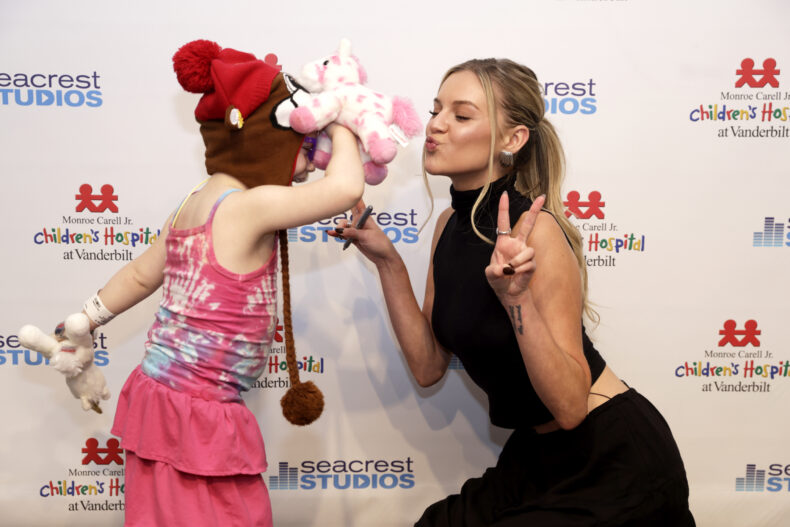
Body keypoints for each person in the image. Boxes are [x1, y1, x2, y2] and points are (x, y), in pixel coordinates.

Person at [334, 58, 695, 526]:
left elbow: (568, 409)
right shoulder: (447, 226)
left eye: (461, 116)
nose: (436, 125)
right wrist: (387, 260)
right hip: (535, 455)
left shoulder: (537, 232)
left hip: (612, 459)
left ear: (513, 139)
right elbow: (427, 367)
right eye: (436, 109)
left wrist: (516, 298)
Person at [74, 41, 364, 526]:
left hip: (159, 395)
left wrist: (87, 317)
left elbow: (141, 274)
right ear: (264, 138)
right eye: (306, 136)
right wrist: (344, 110)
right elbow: (347, 187)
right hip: (198, 412)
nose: (315, 156)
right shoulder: (251, 206)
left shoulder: (195, 200)